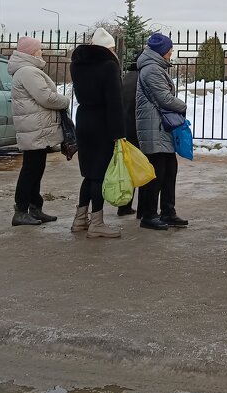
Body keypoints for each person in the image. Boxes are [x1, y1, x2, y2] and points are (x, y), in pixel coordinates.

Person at [8, 36, 70, 226]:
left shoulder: (28, 70)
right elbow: (46, 98)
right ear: (32, 52)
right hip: (34, 128)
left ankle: (35, 207)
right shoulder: (28, 71)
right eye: (39, 49)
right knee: (30, 170)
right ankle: (21, 210)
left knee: (36, 168)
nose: (41, 51)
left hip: (36, 128)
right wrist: (65, 100)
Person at [69, 27, 125, 238]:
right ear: (108, 49)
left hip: (83, 119)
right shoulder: (109, 67)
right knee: (100, 174)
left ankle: (80, 219)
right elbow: (115, 103)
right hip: (103, 123)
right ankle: (97, 222)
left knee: (89, 173)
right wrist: (119, 133)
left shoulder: (77, 65)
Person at [135, 33, 189, 231]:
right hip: (154, 128)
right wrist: (183, 106)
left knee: (169, 170)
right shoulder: (151, 70)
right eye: (169, 49)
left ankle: (168, 212)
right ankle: (149, 215)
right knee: (156, 173)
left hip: (160, 127)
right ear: (161, 51)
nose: (171, 52)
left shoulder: (155, 67)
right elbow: (164, 99)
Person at [118, 53, 141, 217]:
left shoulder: (126, 77)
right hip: (138, 127)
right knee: (144, 166)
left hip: (125, 127)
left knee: (128, 167)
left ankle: (125, 205)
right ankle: (145, 210)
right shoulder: (142, 78)